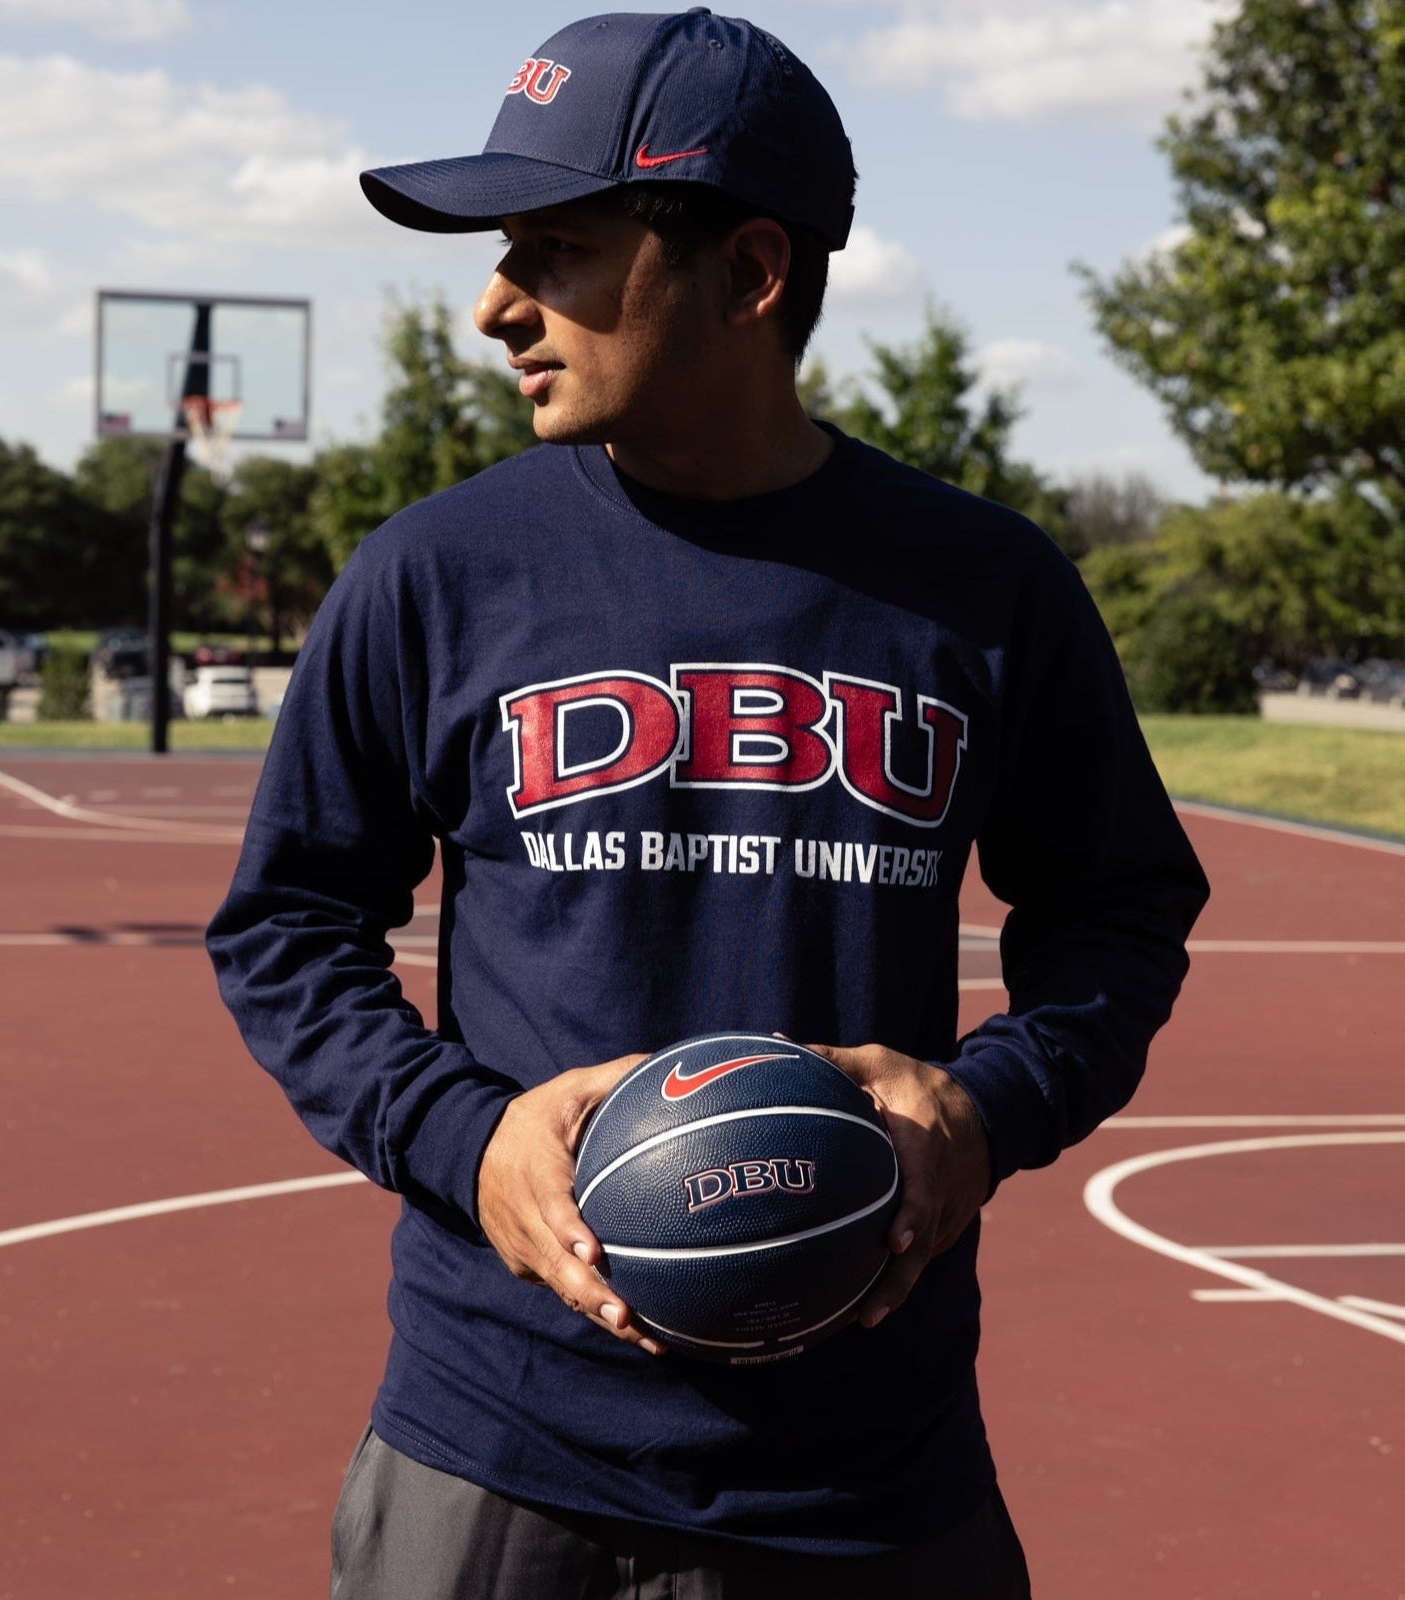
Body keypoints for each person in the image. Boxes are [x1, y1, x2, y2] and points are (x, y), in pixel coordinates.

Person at [207, 10, 1210, 1596]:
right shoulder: (438, 574)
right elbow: (288, 924)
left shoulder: (983, 589)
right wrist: (464, 1141)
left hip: (869, 1480)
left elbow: (1119, 912)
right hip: (497, 1448)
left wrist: (990, 1105)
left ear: (750, 274)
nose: (493, 306)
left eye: (556, 247)